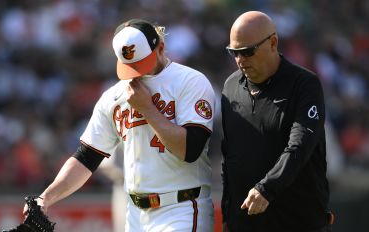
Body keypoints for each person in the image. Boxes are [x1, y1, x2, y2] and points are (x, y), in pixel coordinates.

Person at [24, 18, 216, 231]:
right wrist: (46, 197)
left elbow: (190, 150)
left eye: (141, 63)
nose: (136, 72)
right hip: (135, 215)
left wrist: (148, 109)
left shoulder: (190, 82)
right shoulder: (114, 96)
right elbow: (86, 157)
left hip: (182, 209)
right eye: (129, 65)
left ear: (161, 47)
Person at [221, 11, 331, 232]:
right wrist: (228, 214)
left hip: (298, 222)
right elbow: (230, 156)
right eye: (234, 52)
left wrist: (266, 188)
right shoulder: (230, 87)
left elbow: (299, 147)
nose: (240, 60)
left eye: (247, 52)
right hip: (245, 224)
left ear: (273, 43)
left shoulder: (304, 85)